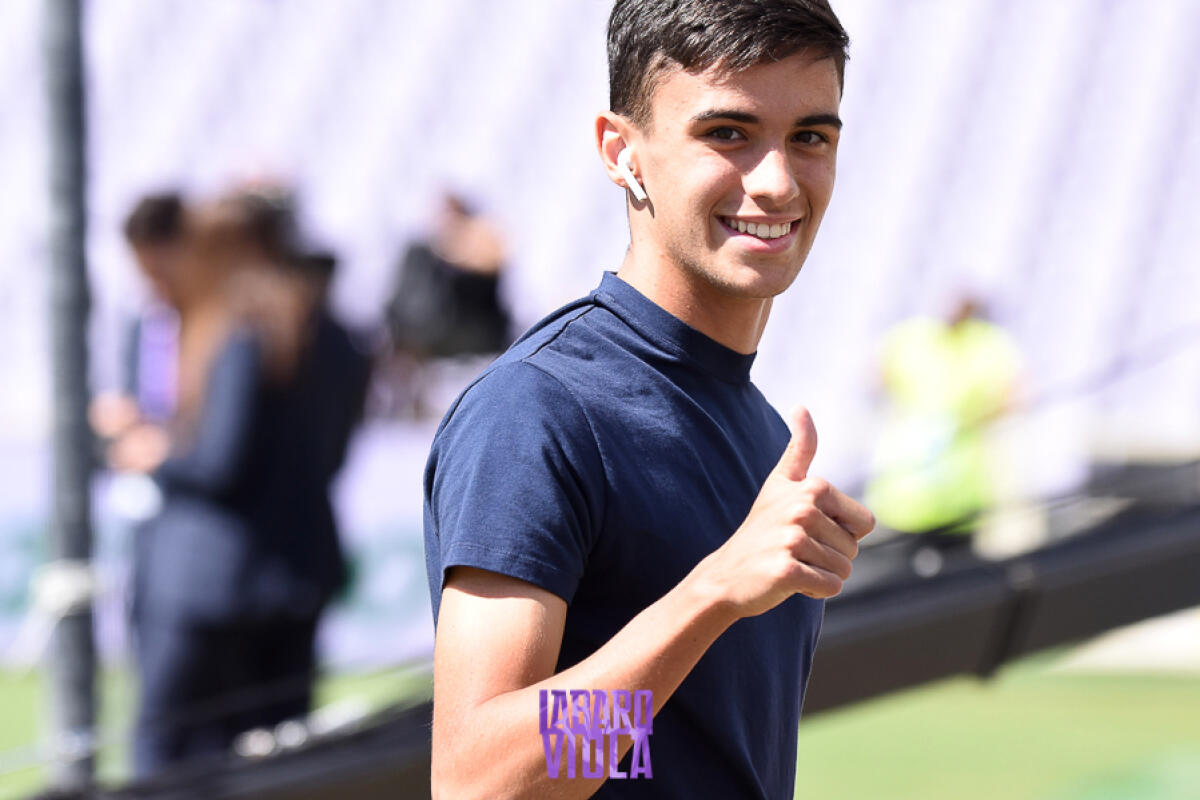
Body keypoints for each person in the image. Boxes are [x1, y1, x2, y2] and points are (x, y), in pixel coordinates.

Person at [423, 1, 874, 797]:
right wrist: (711, 594)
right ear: (620, 150)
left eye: (810, 136)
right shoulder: (539, 410)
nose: (775, 182)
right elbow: (479, 784)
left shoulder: (766, 432)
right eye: (727, 133)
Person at [125, 188, 368, 777]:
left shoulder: (242, 331)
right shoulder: (337, 335)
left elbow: (215, 465)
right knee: (276, 765)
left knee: (169, 760)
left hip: (208, 583)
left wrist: (149, 452)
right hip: (296, 573)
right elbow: (332, 457)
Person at [865, 294, 1021, 575]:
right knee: (901, 579)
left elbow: (1013, 397)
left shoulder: (988, 344)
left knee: (948, 583)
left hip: (954, 493)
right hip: (907, 491)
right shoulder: (912, 337)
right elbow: (875, 380)